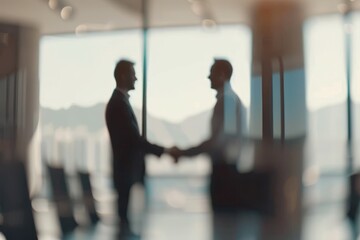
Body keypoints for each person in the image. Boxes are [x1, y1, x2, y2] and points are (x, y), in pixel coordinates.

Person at [105, 59, 170, 237]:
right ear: (124, 75)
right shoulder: (118, 104)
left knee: (127, 226)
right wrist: (164, 151)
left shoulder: (119, 102)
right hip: (125, 174)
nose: (136, 78)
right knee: (125, 228)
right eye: (133, 74)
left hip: (126, 174)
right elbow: (134, 140)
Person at [169, 59, 243, 208]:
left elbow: (216, 142)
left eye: (212, 73)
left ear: (222, 75)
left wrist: (183, 153)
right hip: (227, 170)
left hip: (225, 173)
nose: (208, 77)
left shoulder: (227, 100)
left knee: (222, 224)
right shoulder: (230, 99)